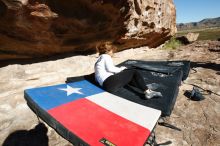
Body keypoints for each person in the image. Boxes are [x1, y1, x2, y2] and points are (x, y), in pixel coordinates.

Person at [94, 41, 162, 99]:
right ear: (107, 51)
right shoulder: (106, 56)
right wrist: (122, 68)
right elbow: (111, 69)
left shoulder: (97, 61)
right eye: (112, 51)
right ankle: (147, 91)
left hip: (106, 86)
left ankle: (142, 86)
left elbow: (97, 77)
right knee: (133, 71)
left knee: (126, 75)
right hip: (110, 82)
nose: (113, 53)